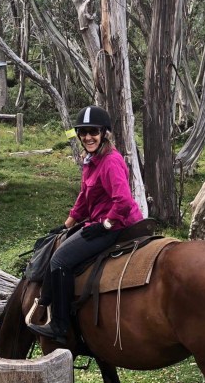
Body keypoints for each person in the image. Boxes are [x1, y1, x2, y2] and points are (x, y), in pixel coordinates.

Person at [27, 106, 143, 344]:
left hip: (116, 224)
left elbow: (123, 201)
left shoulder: (110, 162)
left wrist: (106, 225)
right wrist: (66, 224)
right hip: (100, 220)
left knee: (60, 260)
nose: (88, 137)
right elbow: (84, 196)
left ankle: (60, 325)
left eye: (93, 132)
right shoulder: (91, 160)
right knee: (60, 244)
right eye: (83, 132)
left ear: (104, 133)